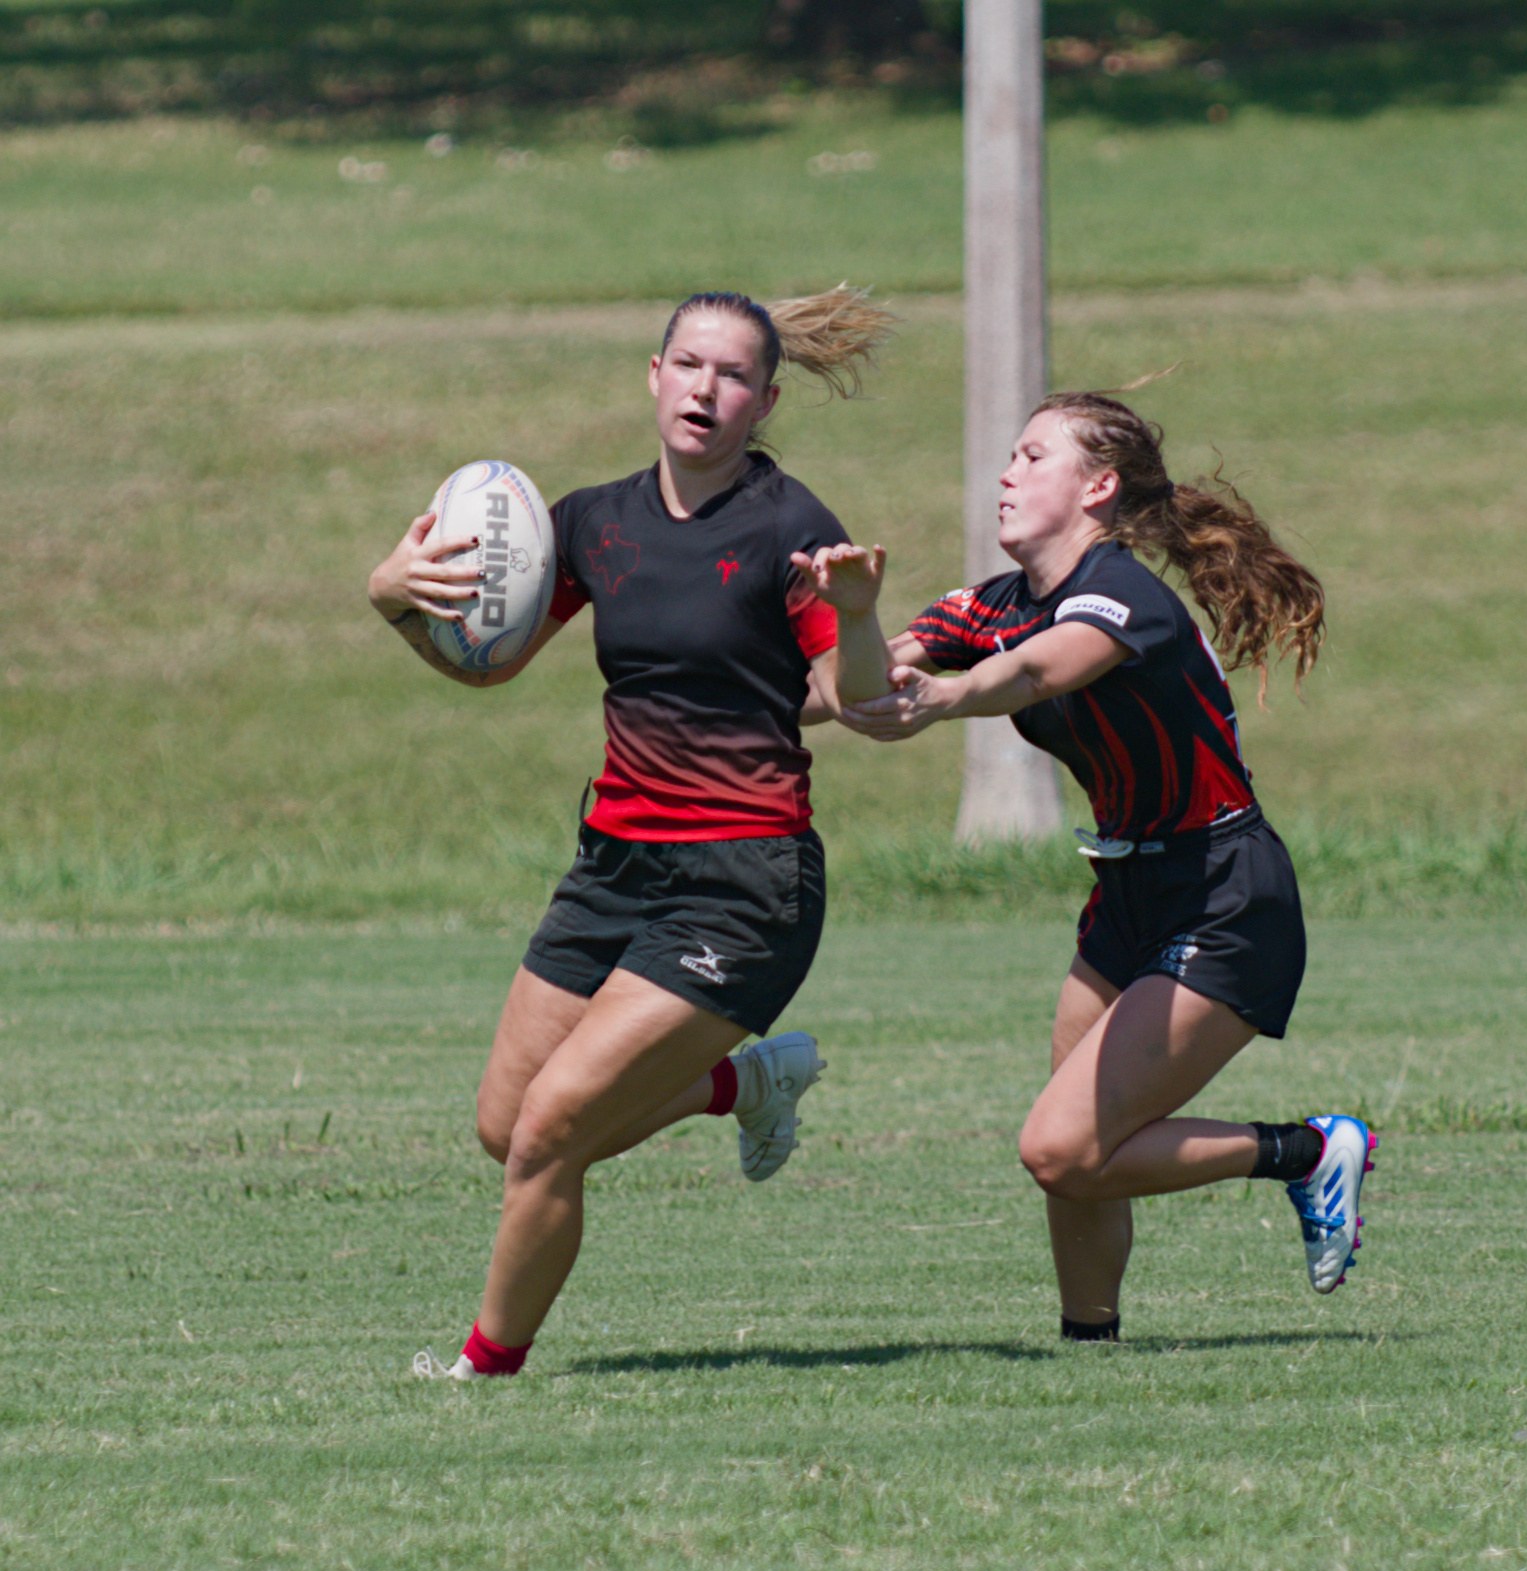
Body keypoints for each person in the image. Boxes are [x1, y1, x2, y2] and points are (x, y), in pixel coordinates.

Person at [366, 287, 896, 1379]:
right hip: (612, 866)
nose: (706, 390)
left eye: (733, 376)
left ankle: (483, 1370)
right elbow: (489, 664)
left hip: (743, 884)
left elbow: (859, 704)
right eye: (688, 365)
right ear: (653, 376)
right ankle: (744, 1085)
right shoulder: (590, 523)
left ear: (765, 401)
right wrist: (394, 600)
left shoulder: (791, 526)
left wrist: (854, 616)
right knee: (506, 1125)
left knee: (549, 1133)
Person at [830, 389, 1377, 1340]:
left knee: (1058, 1147)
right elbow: (852, 696)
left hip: (1223, 892)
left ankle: (1307, 1150)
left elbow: (1039, 669)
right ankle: (1090, 1343)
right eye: (1010, 456)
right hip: (1128, 893)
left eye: (1032, 456)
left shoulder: (1122, 596)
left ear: (1098, 487)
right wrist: (853, 617)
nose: (1007, 473)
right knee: (1078, 1149)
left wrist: (951, 695)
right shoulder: (996, 604)